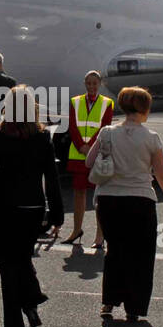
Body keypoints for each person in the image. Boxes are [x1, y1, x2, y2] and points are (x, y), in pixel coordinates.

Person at [0, 85, 64, 327]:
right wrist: (56, 213)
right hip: (32, 208)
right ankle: (30, 300)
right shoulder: (42, 138)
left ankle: (15, 323)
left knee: (8, 267)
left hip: (5, 208)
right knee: (22, 259)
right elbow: (52, 177)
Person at [85, 86, 163, 321]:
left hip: (109, 199)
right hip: (140, 199)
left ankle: (109, 301)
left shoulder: (107, 132)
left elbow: (88, 161)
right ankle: (135, 306)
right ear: (144, 108)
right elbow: (160, 172)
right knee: (141, 255)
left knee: (115, 251)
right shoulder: (151, 137)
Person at [64, 71, 113, 247]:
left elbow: (104, 127)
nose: (91, 87)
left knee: (98, 196)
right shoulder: (74, 102)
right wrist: (81, 147)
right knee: (78, 193)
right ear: (85, 83)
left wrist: (90, 147)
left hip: (96, 155)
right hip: (78, 155)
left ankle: (100, 236)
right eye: (89, 83)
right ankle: (76, 230)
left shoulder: (107, 103)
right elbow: (72, 126)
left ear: (99, 84)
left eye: (94, 83)